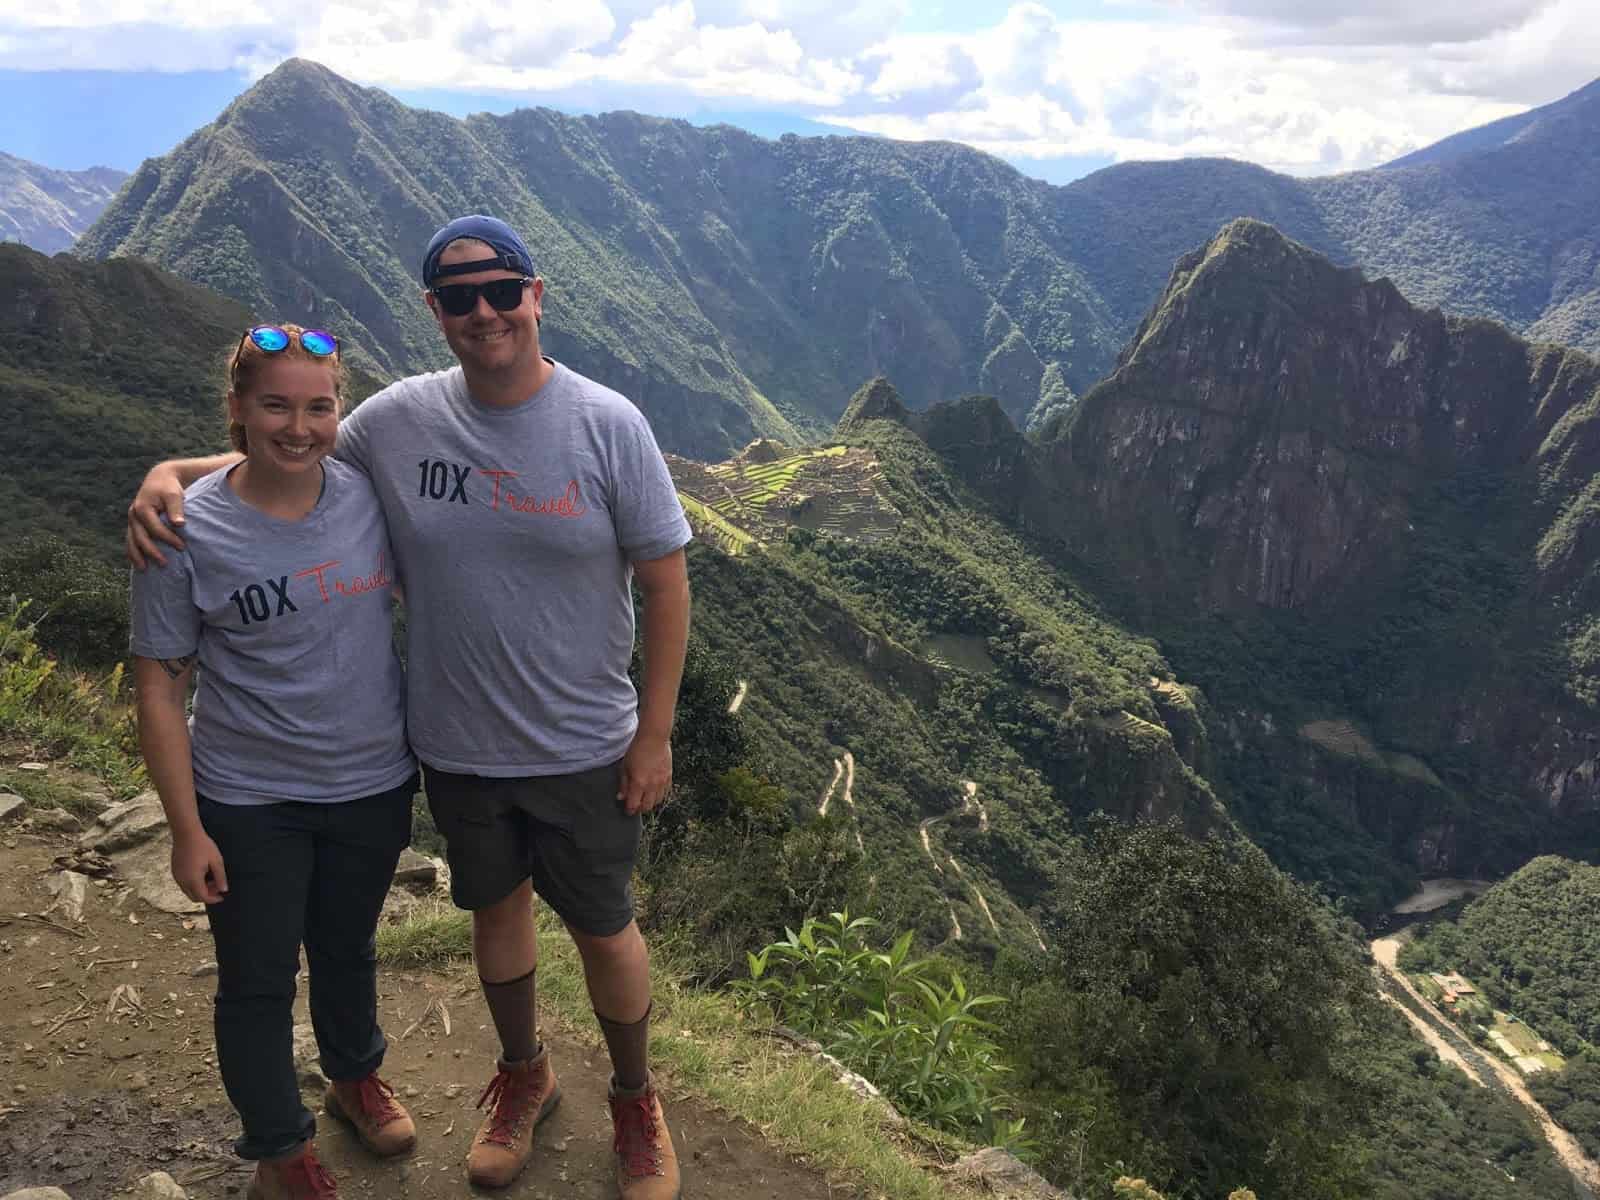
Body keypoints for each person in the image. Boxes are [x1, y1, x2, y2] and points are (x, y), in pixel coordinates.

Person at [128, 217, 693, 1200]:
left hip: (582, 747)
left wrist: (655, 732)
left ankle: (635, 1101)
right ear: (434, 312)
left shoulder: (609, 424)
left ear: (536, 295)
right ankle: (522, 1078)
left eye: (501, 291)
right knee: (496, 916)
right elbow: (282, 451)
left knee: (606, 927)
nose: (484, 313)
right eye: (459, 298)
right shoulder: (398, 422)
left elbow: (667, 579)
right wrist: (165, 476)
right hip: (455, 747)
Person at [131, 324, 419, 1200]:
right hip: (249, 797)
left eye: (319, 406)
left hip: (372, 779)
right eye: (276, 406)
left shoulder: (368, 492)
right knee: (257, 978)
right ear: (238, 411)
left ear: (342, 409)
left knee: (346, 946)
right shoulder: (185, 531)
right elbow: (158, 688)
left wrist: (164, 466)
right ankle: (279, 1148)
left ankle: (353, 1076)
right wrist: (185, 829)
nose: (299, 426)